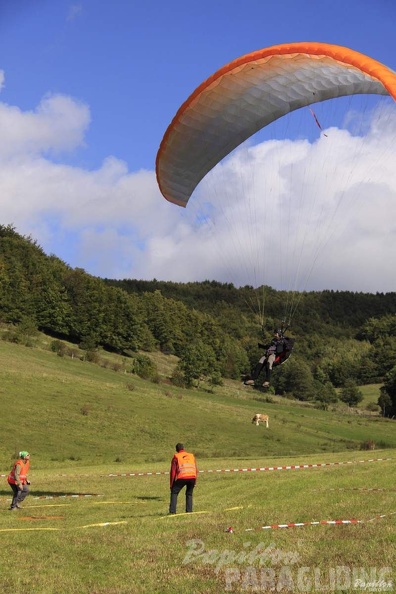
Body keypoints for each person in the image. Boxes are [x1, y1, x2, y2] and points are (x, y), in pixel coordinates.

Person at [169, 443, 197, 514]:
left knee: (174, 492)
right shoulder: (191, 456)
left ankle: (172, 511)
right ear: (183, 448)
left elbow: (173, 472)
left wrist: (171, 484)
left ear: (176, 449)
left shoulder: (176, 456)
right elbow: (195, 469)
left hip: (182, 476)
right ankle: (189, 511)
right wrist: (195, 481)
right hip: (192, 477)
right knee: (189, 494)